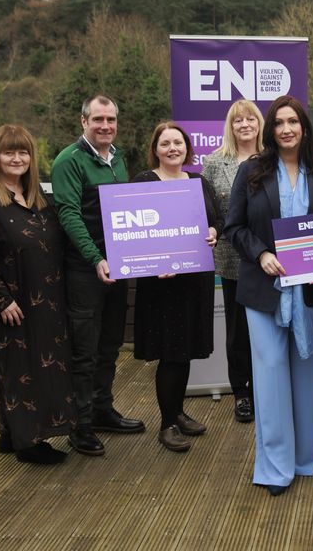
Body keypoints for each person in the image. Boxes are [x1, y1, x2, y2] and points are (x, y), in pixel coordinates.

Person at [223, 95, 313, 496]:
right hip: (265, 290)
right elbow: (234, 227)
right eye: (279, 123)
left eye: (294, 122)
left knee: (309, 376)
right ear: (270, 129)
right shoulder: (252, 171)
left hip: (311, 289)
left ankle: (304, 459)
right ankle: (275, 468)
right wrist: (261, 254)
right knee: (271, 375)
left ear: (304, 128)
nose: (287, 129)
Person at [0, 124, 77, 465]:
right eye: (9, 152)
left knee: (43, 369)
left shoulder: (37, 196)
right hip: (12, 302)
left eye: (23, 152)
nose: (17, 159)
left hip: (47, 298)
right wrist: (0, 298)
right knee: (17, 371)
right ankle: (30, 443)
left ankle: (10, 434)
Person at [51, 94, 145, 457]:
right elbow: (69, 215)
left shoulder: (118, 158)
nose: (105, 126)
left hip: (118, 266)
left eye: (111, 120)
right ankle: (80, 424)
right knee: (84, 351)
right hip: (85, 270)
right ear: (83, 121)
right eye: (98, 120)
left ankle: (103, 410)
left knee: (110, 345)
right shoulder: (68, 161)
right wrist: (94, 258)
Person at [132, 123, 223, 452]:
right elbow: (134, 228)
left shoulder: (199, 181)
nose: (173, 148)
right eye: (165, 143)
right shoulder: (144, 182)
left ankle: (178, 412)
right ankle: (167, 424)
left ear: (187, 148)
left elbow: (218, 219)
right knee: (170, 354)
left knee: (184, 351)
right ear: (155, 148)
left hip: (194, 280)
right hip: (163, 286)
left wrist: (214, 230)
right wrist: (156, 264)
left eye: (178, 142)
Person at [203, 99, 265, 423]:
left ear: (259, 124)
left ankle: (265, 389)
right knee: (238, 331)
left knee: (267, 329)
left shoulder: (273, 159)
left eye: (250, 119)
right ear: (230, 126)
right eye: (238, 120)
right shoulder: (215, 163)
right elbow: (207, 209)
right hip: (232, 258)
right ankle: (242, 393)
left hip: (270, 259)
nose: (244, 125)